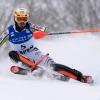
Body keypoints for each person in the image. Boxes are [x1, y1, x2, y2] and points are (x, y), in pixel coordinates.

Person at [0, 8, 93, 84]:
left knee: (54, 66)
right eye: (19, 19)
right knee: (12, 53)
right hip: (21, 57)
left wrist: (40, 33)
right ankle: (35, 69)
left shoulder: (30, 26)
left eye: (24, 19)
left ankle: (81, 77)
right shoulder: (9, 32)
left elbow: (46, 30)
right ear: (15, 19)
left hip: (35, 53)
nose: (22, 22)